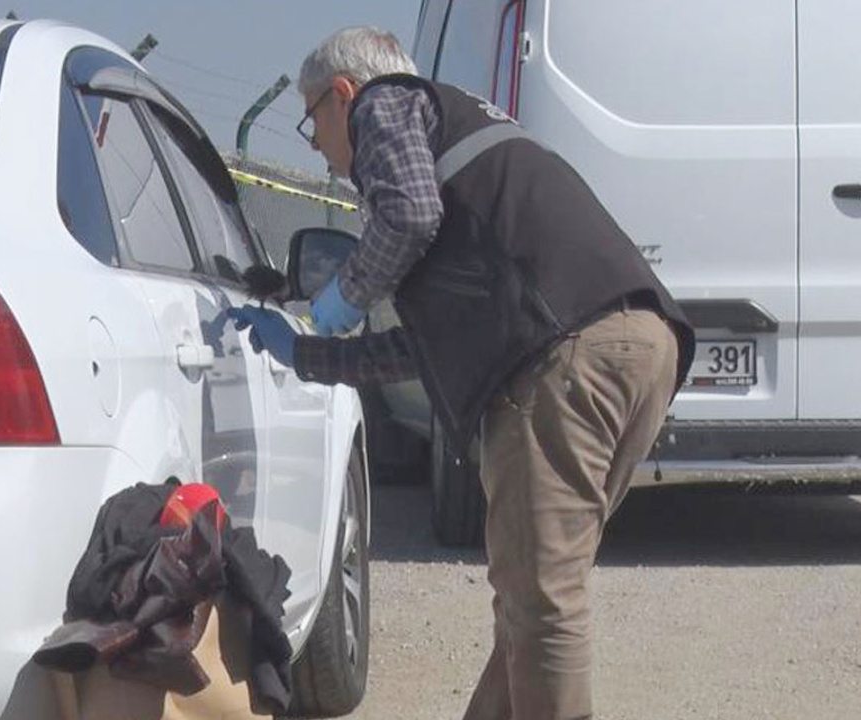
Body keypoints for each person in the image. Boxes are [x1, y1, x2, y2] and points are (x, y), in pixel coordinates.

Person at [227, 27, 696, 720]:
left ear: (344, 93)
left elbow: (411, 216)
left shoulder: (386, 105)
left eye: (312, 118)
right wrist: (304, 356)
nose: (319, 149)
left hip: (564, 359)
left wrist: (341, 296)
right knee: (531, 595)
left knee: (541, 604)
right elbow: (416, 350)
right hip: (641, 345)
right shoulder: (456, 147)